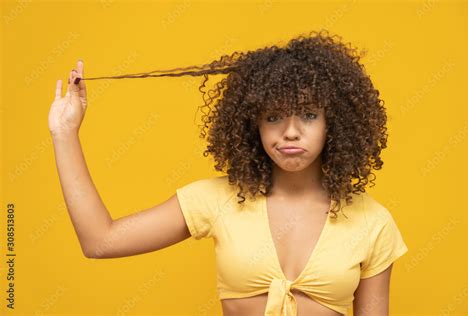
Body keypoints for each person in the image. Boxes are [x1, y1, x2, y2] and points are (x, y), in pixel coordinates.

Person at [48, 30, 408, 316]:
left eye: (309, 115)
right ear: (253, 125)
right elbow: (100, 241)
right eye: (273, 117)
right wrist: (64, 133)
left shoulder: (373, 222)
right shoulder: (216, 200)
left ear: (335, 124)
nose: (291, 131)